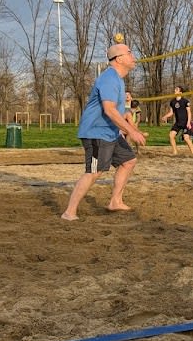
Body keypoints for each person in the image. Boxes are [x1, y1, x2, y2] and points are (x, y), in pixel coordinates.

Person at [60, 43, 148, 220]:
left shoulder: (119, 80)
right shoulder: (109, 78)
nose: (134, 57)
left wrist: (134, 129)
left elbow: (120, 113)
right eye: (130, 53)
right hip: (95, 133)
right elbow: (109, 110)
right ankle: (69, 212)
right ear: (119, 59)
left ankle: (115, 201)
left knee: (128, 161)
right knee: (94, 172)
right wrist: (131, 132)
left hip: (110, 133)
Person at [161, 85, 193, 156]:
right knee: (171, 135)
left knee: (186, 138)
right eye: (175, 89)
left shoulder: (185, 101)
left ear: (180, 92)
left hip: (185, 123)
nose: (174, 90)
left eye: (176, 89)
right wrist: (165, 116)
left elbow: (189, 113)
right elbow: (171, 112)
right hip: (178, 123)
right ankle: (175, 152)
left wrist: (188, 123)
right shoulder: (172, 102)